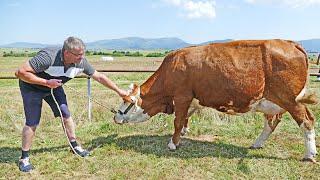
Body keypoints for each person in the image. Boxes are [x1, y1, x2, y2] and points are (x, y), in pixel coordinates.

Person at [15, 36, 128, 172]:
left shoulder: (81, 63)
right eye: (78, 55)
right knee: (32, 121)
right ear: (66, 53)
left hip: (54, 86)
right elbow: (20, 72)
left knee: (66, 114)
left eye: (83, 54)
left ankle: (74, 145)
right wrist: (45, 83)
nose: (82, 58)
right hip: (32, 87)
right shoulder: (48, 56)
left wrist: (119, 91)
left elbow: (99, 77)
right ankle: (24, 158)